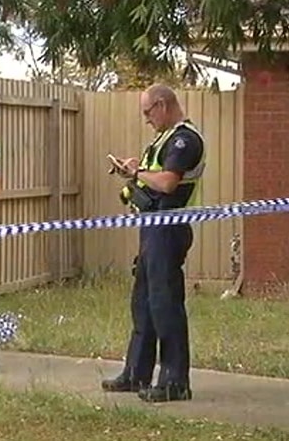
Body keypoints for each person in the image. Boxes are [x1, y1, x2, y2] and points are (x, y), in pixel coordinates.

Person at [102, 84, 206, 403]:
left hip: (169, 227)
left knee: (165, 305)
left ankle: (175, 381)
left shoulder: (184, 139)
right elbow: (151, 179)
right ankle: (136, 373)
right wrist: (132, 174)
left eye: (148, 112)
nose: (146, 119)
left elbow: (167, 182)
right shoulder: (162, 139)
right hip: (151, 227)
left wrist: (138, 171)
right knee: (143, 303)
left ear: (162, 105)